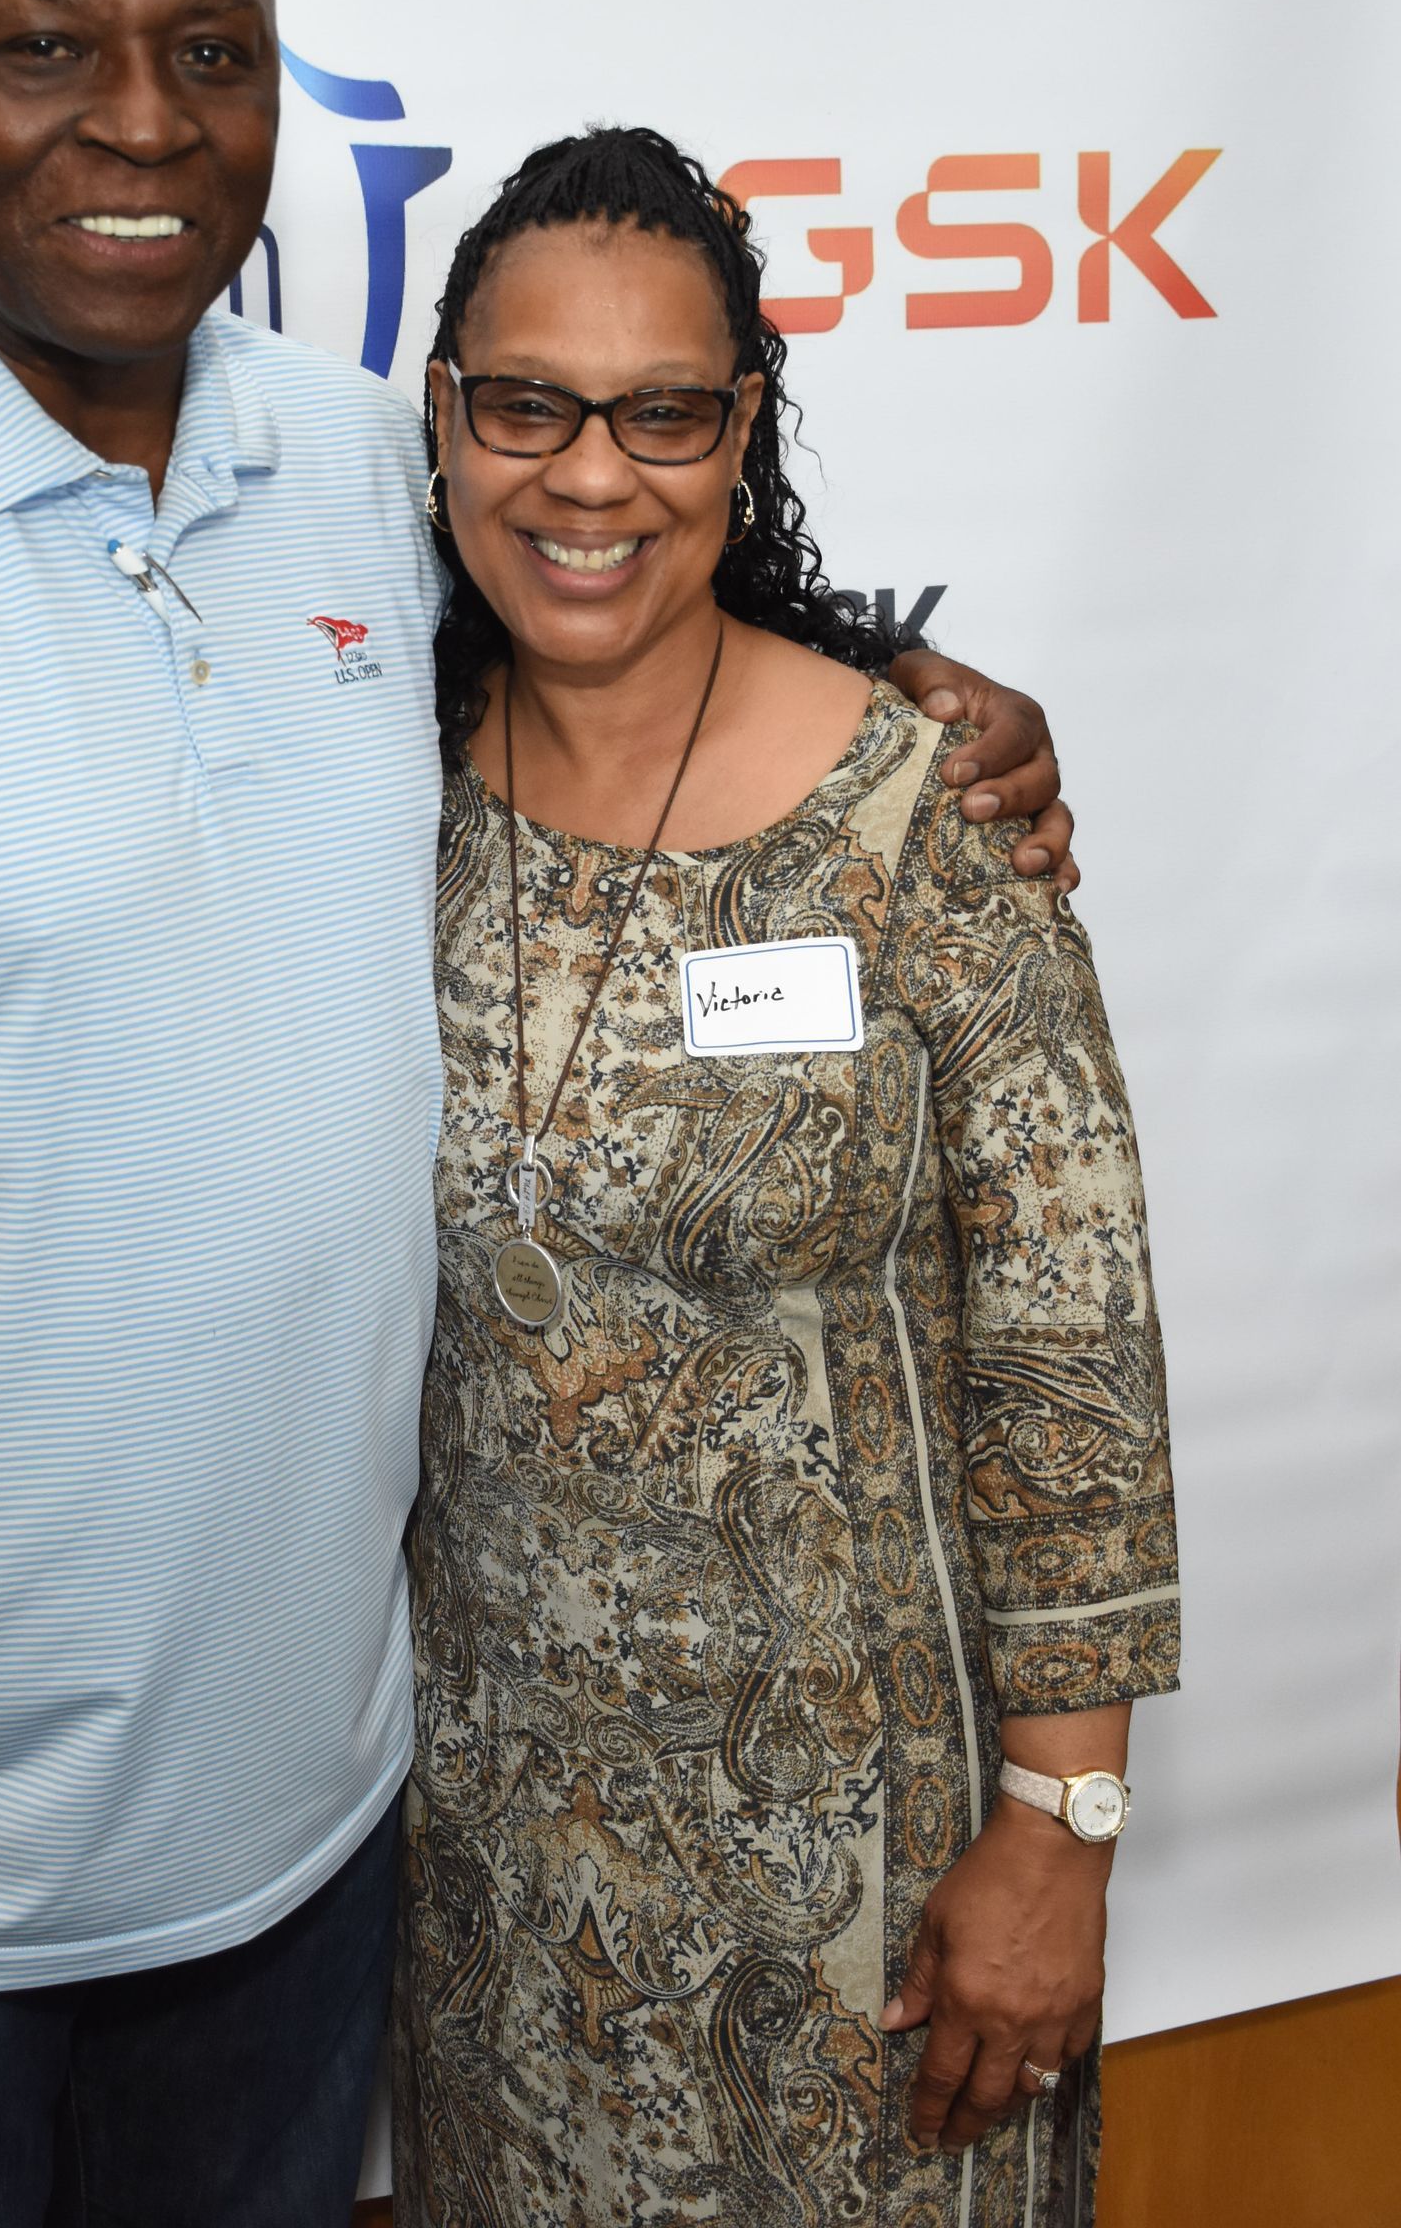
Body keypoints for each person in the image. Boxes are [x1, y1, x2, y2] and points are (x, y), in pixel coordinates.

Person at [0, 0, 1071, 2227]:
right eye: (44, 46)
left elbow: (621, 570)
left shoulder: (351, 470)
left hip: (318, 1856)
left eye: (212, 53)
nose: (142, 125)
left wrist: (904, 689)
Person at [394, 128, 1178, 2228]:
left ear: (743, 431)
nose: (589, 476)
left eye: (662, 413)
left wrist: (1064, 1824)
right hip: (489, 1883)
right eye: (529, 404)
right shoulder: (366, 777)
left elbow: (1070, 1354)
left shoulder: (925, 822)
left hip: (871, 1899)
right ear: (447, 412)